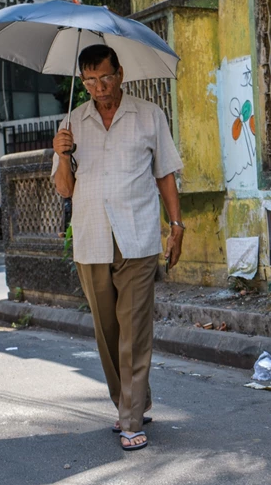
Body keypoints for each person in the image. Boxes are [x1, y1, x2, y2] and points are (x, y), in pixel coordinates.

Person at [52, 44, 184, 451]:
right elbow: (64, 190)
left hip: (138, 237)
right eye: (90, 81)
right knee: (107, 331)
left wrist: (176, 224)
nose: (99, 87)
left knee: (135, 328)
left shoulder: (148, 116)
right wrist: (61, 157)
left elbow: (165, 174)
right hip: (91, 238)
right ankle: (133, 401)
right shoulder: (71, 124)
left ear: (121, 73)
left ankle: (129, 419)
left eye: (105, 78)